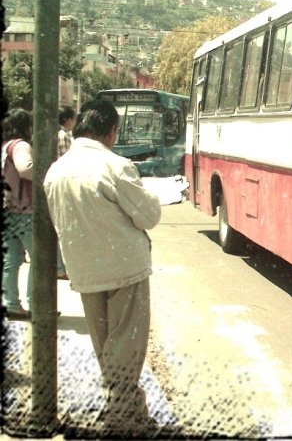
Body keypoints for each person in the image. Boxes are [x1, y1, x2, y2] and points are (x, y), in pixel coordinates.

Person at [44, 99, 161, 433]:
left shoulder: (55, 171)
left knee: (107, 348)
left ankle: (128, 411)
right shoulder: (116, 166)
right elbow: (149, 215)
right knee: (126, 349)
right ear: (111, 132)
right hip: (125, 269)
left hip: (85, 271)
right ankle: (122, 420)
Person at [2, 109, 34, 320]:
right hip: (25, 211)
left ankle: (12, 304)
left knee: (11, 260)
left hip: (9, 209)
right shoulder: (21, 145)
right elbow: (26, 169)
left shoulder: (5, 146)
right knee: (41, 260)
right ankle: (37, 303)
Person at [55, 105, 76, 280]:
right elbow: (68, 162)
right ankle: (61, 267)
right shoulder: (64, 137)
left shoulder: (52, 134)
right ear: (68, 119)